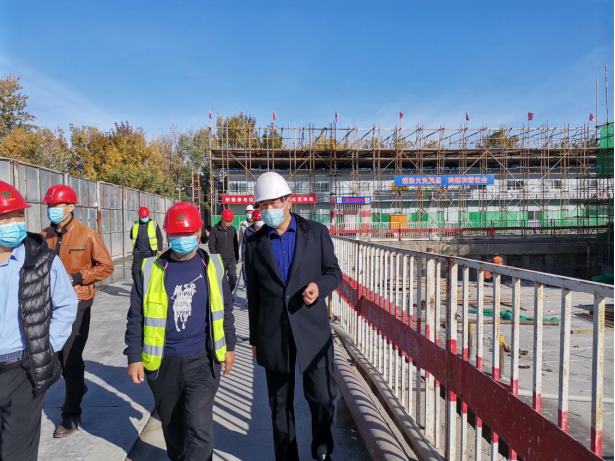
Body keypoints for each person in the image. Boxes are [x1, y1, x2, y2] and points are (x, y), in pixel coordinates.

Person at [124, 202, 236, 461]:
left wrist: (229, 347)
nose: (182, 239)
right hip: (163, 364)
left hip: (203, 361)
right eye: (176, 234)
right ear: (167, 234)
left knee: (199, 428)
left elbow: (225, 310)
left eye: (187, 234)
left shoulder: (213, 266)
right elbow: (136, 317)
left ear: (199, 233)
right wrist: (134, 357)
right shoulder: (150, 269)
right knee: (173, 429)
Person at [245, 172, 342, 461]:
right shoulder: (254, 243)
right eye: (263, 205)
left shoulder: (316, 233)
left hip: (312, 329)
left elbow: (334, 272)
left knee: (323, 397)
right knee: (279, 405)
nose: (268, 210)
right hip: (273, 333)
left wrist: (319, 287)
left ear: (289, 201)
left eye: (274, 203)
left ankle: (321, 450)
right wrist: (254, 339)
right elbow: (254, 295)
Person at [0, 181, 78, 461]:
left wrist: (47, 346)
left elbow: (66, 304)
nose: (14, 224)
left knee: (16, 452)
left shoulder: (43, 259)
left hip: (22, 368)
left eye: (19, 216)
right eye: (4, 218)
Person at [40, 184, 114, 438]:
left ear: (71, 207)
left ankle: (71, 414)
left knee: (71, 357)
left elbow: (106, 266)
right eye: (49, 206)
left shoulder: (87, 235)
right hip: (48, 303)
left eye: (56, 205)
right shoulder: (43, 236)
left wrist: (77, 277)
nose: (52, 209)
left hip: (78, 302)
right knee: (54, 355)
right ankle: (78, 386)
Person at [208, 209, 239, 291]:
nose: (229, 222)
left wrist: (237, 257)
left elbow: (235, 244)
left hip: (231, 258)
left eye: (230, 221)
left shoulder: (232, 229)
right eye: (227, 221)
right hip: (220, 258)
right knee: (220, 278)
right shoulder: (215, 230)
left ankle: (228, 292)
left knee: (233, 276)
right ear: (222, 219)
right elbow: (211, 245)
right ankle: (222, 294)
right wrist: (215, 258)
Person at [130, 206, 163, 282]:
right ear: (139, 216)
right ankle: (138, 285)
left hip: (150, 253)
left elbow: (159, 237)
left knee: (148, 272)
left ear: (148, 215)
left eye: (145, 217)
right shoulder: (135, 224)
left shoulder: (153, 224)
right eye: (143, 217)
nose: (144, 218)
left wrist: (160, 249)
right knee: (135, 271)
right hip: (138, 253)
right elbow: (131, 236)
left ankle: (147, 286)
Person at [238, 204, 255, 286]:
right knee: (244, 267)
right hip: (244, 248)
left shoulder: (257, 223)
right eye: (248, 212)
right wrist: (238, 251)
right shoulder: (242, 224)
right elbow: (239, 238)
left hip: (254, 249)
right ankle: (246, 283)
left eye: (251, 212)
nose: (249, 214)